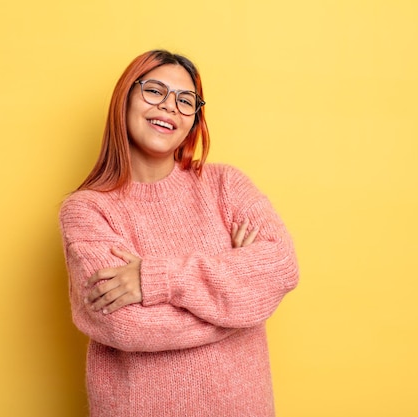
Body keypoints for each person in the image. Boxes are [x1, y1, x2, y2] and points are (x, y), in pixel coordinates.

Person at [59, 49, 299, 417]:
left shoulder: (225, 186)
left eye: (186, 100)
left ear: (194, 119)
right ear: (124, 99)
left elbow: (281, 267)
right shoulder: (87, 211)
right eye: (154, 91)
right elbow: (126, 325)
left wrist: (157, 278)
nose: (170, 106)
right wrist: (238, 303)